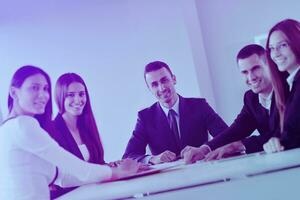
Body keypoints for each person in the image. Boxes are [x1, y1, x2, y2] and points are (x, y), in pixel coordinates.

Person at [0, 65, 139, 200]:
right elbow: (76, 168)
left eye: (45, 88)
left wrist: (114, 169)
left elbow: (62, 177)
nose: (42, 95)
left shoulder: (10, 127)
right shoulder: (22, 125)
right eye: (34, 88)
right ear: (14, 92)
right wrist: (117, 173)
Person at [182, 44, 282, 163]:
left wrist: (239, 145)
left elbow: (287, 131)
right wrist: (205, 149)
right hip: (275, 162)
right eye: (244, 72)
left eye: (256, 68)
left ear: (270, 66)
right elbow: (237, 130)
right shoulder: (251, 98)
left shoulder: (290, 89)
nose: (251, 77)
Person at [122, 61, 228, 164]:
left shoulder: (199, 106)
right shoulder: (145, 117)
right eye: (154, 84)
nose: (162, 88)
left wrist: (204, 149)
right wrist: (152, 159)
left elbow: (227, 136)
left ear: (174, 79)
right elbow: (129, 156)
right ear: (149, 88)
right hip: (168, 179)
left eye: (164, 80)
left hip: (203, 172)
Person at [50, 73, 105, 198]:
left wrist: (112, 166)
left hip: (95, 194)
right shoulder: (52, 131)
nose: (78, 100)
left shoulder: (87, 126)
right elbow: (62, 178)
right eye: (70, 95)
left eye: (81, 94)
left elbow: (97, 164)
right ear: (60, 97)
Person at [263, 19, 300, 153]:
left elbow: (295, 135)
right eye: (272, 48)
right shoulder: (290, 85)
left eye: (282, 45)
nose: (276, 53)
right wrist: (275, 140)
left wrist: (280, 141)